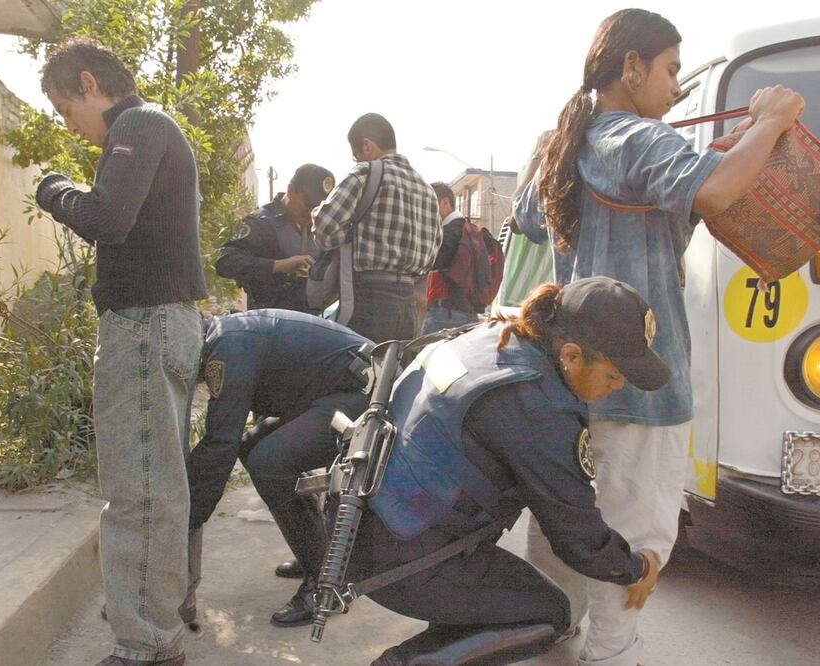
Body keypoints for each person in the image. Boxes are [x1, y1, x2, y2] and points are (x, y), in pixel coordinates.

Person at [512, 9, 805, 666]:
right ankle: (611, 655)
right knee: (633, 540)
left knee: (562, 528)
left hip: (570, 380)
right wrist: (770, 122)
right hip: (641, 385)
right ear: (632, 67)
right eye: (671, 70)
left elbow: (526, 217)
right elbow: (715, 191)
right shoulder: (638, 138)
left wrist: (731, 144)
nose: (675, 87)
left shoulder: (568, 146)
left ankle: (544, 640)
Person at [337, 277, 666, 665]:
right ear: (573, 356)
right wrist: (636, 568)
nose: (620, 386)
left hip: (361, 516)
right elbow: (577, 535)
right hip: (397, 557)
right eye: (613, 375)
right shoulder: (540, 406)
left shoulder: (495, 337)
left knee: (491, 599)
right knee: (549, 615)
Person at [34, 38, 207, 666]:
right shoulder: (149, 128)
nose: (68, 125)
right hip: (158, 324)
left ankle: (147, 642)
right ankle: (152, 621)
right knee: (155, 486)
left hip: (144, 326)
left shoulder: (137, 123)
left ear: (88, 83)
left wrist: (54, 190)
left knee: (139, 492)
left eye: (64, 108)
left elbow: (107, 219)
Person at [184, 309, 371, 629]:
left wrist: (186, 517)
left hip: (365, 396)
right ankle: (319, 550)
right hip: (345, 390)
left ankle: (326, 585)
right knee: (253, 446)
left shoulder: (224, 350)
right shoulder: (224, 337)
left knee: (271, 462)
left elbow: (220, 442)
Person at [312, 113, 441, 342]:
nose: (357, 161)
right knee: (395, 365)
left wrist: (346, 234)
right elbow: (431, 256)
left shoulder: (365, 173)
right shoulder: (428, 190)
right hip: (408, 308)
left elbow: (324, 227)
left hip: (368, 302)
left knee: (355, 363)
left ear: (367, 145)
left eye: (356, 156)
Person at [215, 164, 335, 312]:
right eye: (308, 205)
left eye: (319, 208)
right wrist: (277, 266)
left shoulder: (323, 229)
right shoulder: (261, 222)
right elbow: (226, 261)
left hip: (312, 320)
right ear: (291, 190)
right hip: (269, 319)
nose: (313, 213)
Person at [420, 182, 483, 334]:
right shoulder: (468, 230)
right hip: (468, 312)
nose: (425, 212)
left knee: (426, 350)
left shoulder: (451, 231)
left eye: (429, 205)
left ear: (445, 203)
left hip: (445, 313)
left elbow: (434, 261)